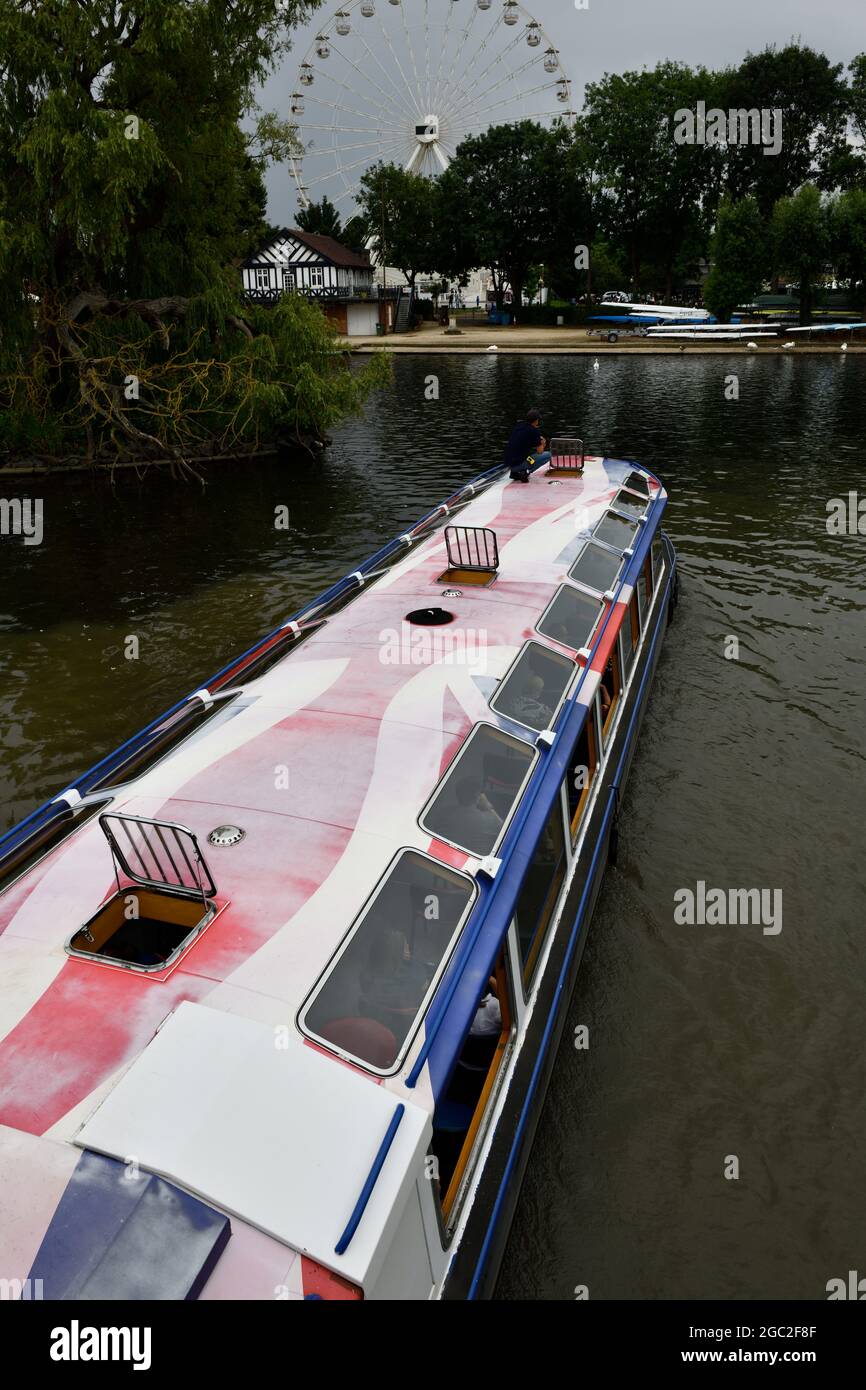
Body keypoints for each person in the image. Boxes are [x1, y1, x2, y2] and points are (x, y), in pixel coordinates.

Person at [449, 777, 503, 853]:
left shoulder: (445, 814)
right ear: (477, 796)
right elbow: (504, 832)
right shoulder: (485, 819)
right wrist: (488, 807)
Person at [504, 408, 552, 482]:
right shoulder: (534, 431)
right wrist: (543, 443)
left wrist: (537, 439)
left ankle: (514, 473)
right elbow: (540, 451)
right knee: (548, 455)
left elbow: (522, 439)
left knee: (525, 456)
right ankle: (525, 472)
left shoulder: (519, 426)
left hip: (509, 463)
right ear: (536, 420)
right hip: (521, 464)